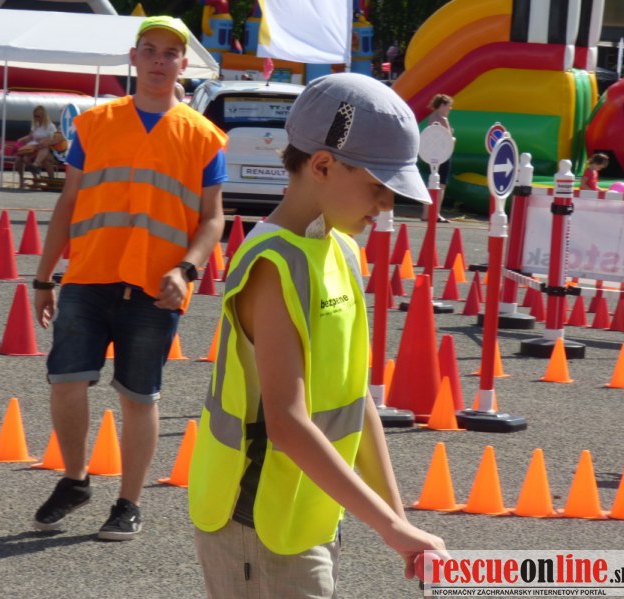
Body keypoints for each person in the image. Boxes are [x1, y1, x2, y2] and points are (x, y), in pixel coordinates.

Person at [188, 73, 446, 597]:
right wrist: (391, 528)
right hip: (258, 519)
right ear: (323, 166)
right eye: (378, 186)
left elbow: (355, 399)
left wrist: (399, 521)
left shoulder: (340, 248)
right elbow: (287, 423)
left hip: (308, 511)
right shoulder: (273, 264)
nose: (387, 204)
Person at [31, 15, 228, 541]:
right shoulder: (95, 124)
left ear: (183, 64)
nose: (159, 60)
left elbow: (213, 219)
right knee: (66, 382)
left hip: (156, 287)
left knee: (139, 397)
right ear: (134, 57)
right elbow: (68, 203)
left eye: (170, 53)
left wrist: (187, 269)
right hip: (89, 276)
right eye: (150, 50)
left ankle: (128, 502)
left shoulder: (204, 136)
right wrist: (43, 278)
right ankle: (75, 480)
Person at [421, 93, 454, 223]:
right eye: (449, 106)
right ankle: (436, 213)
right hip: (443, 155)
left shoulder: (432, 118)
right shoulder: (443, 119)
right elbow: (449, 139)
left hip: (431, 154)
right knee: (441, 185)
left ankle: (426, 213)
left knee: (431, 183)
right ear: (442, 105)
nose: (450, 108)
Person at [15, 105, 62, 188]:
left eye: (38, 116)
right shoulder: (35, 125)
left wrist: (44, 140)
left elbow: (54, 138)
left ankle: (36, 176)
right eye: (35, 116)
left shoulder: (50, 126)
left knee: (26, 158)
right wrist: (21, 140)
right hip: (33, 146)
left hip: (43, 147)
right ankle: (23, 179)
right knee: (18, 159)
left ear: (43, 116)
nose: (37, 118)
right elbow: (30, 136)